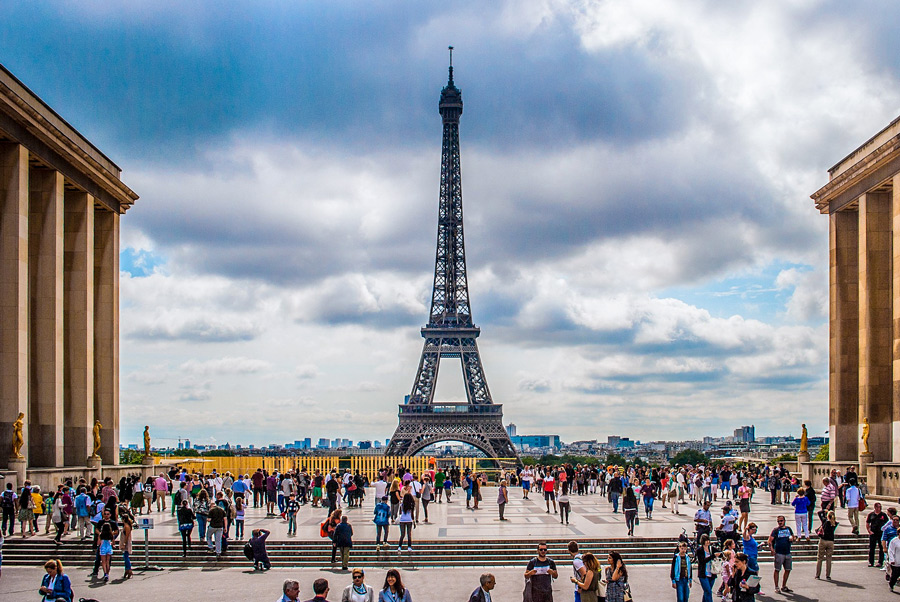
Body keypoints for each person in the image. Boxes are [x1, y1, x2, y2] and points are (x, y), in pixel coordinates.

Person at [767, 515, 796, 594]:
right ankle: (776, 586)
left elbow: (794, 537)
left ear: (784, 521)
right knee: (777, 570)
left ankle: (784, 585)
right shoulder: (776, 530)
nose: (780, 522)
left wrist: (792, 538)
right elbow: (770, 540)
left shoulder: (788, 529)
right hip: (779, 553)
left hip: (787, 552)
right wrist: (772, 549)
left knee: (788, 569)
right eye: (778, 521)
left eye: (781, 521)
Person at [815, 510, 837, 580]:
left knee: (820, 558)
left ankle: (818, 575)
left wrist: (824, 510)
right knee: (829, 559)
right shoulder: (835, 523)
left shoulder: (825, 521)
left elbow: (819, 513)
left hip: (823, 540)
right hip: (831, 542)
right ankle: (828, 575)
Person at [867, 501, 889, 568]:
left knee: (881, 548)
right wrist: (869, 531)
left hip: (880, 533)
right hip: (873, 533)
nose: (879, 508)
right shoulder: (871, 514)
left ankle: (880, 562)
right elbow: (867, 523)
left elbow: (887, 523)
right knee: (872, 548)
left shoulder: (883, 515)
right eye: (878, 507)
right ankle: (871, 562)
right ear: (875, 507)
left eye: (880, 507)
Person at [696, 533, 717, 602]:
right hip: (703, 574)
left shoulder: (712, 548)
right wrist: (712, 556)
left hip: (712, 573)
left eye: (708, 540)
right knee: (708, 591)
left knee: (707, 591)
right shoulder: (700, 550)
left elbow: (719, 553)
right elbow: (702, 561)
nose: (708, 542)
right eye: (706, 540)